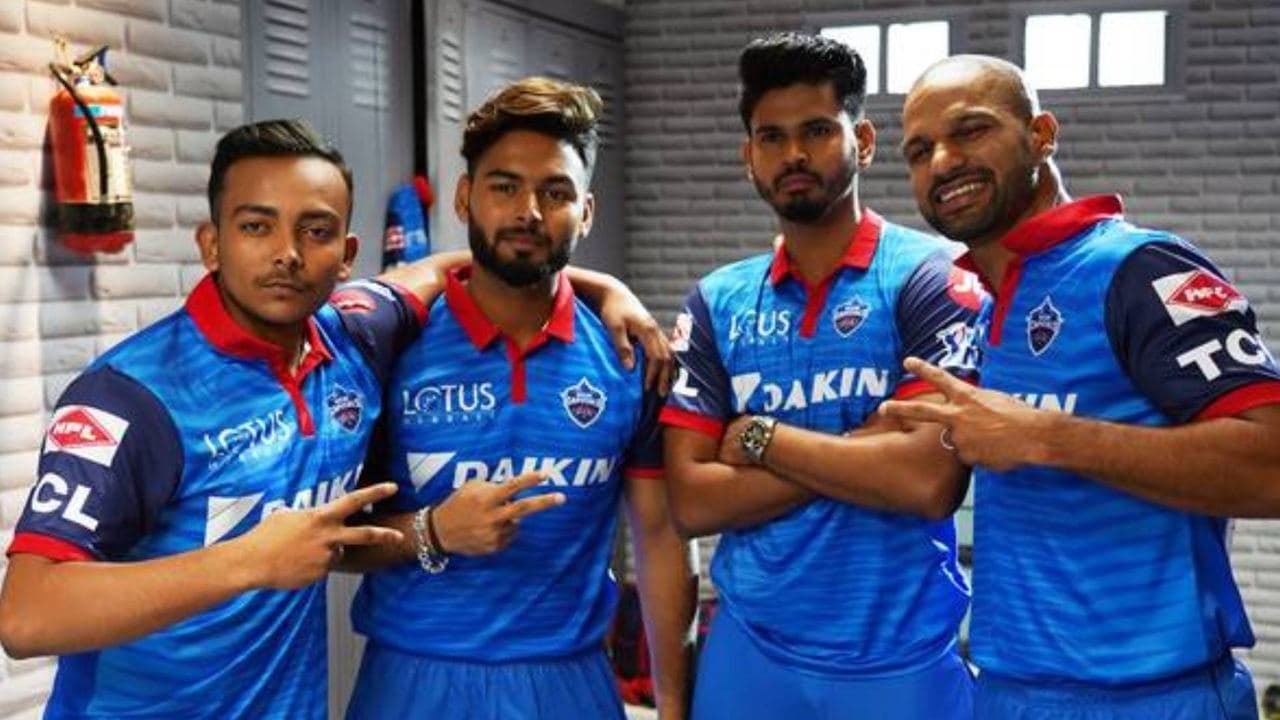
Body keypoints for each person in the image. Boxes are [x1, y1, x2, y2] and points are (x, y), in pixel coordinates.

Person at [0, 119, 669, 719]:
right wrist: (247, 561)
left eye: (315, 231)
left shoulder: (357, 336)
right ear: (211, 244)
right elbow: (28, 616)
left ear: (346, 256)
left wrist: (604, 288)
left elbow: (481, 264)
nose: (287, 253)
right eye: (256, 226)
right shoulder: (131, 395)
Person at [882, 54, 1280, 720]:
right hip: (1008, 690)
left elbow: (1273, 464)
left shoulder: (1140, 269)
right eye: (919, 152)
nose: (943, 161)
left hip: (1153, 698)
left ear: (1042, 135)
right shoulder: (983, 302)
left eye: (971, 130)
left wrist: (1047, 438)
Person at [342, 77, 696, 720]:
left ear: (586, 212)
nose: (528, 211)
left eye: (555, 192)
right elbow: (330, 539)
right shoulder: (392, 346)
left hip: (569, 681)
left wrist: (674, 705)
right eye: (504, 187)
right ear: (464, 198)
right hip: (413, 679)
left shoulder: (628, 355)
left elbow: (660, 535)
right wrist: (431, 531)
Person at [660, 33, 982, 720]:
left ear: (861, 141)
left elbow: (926, 482)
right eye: (771, 138)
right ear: (749, 155)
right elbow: (692, 502)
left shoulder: (932, 276)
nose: (794, 155)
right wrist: (861, 451)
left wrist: (760, 439)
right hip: (749, 652)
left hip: (898, 659)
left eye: (816, 131)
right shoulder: (718, 300)